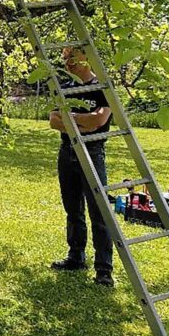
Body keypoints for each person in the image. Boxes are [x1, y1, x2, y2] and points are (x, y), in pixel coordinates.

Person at [49, 47, 114, 287]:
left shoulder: (102, 88)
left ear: (86, 56)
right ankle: (76, 257)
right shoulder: (65, 88)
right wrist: (80, 123)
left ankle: (104, 270)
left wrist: (70, 119)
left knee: (99, 212)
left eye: (72, 56)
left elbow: (99, 120)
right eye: (65, 57)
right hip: (67, 152)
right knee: (72, 208)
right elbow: (54, 121)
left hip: (92, 152)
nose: (67, 62)